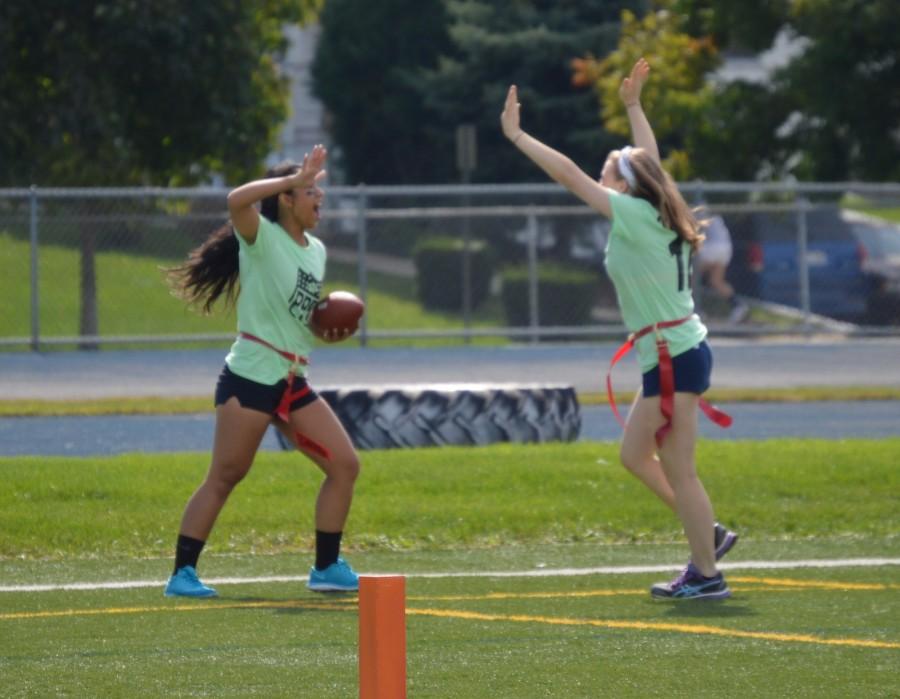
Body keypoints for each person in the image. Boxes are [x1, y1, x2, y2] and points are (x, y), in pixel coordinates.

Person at [501, 58, 737, 600]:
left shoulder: (632, 213)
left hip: (674, 356)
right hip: (675, 353)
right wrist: (633, 106)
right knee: (636, 456)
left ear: (624, 185)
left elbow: (568, 175)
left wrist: (518, 136)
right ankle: (709, 538)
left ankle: (707, 572)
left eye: (609, 170)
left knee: (681, 469)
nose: (600, 175)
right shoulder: (651, 208)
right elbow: (648, 162)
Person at [163, 145, 361, 597]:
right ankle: (182, 574)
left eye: (319, 192)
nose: (319, 199)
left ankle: (326, 568)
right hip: (251, 376)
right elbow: (237, 200)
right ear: (288, 198)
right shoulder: (260, 236)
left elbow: (300, 313)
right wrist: (291, 179)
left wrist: (325, 327)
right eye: (310, 191)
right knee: (226, 476)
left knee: (345, 465)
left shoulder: (317, 252)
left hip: (292, 380)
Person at [694, 211, 749, 323]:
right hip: (726, 249)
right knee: (716, 281)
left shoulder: (699, 210)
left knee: (690, 278)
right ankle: (737, 305)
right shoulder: (716, 214)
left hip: (712, 248)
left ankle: (695, 310)